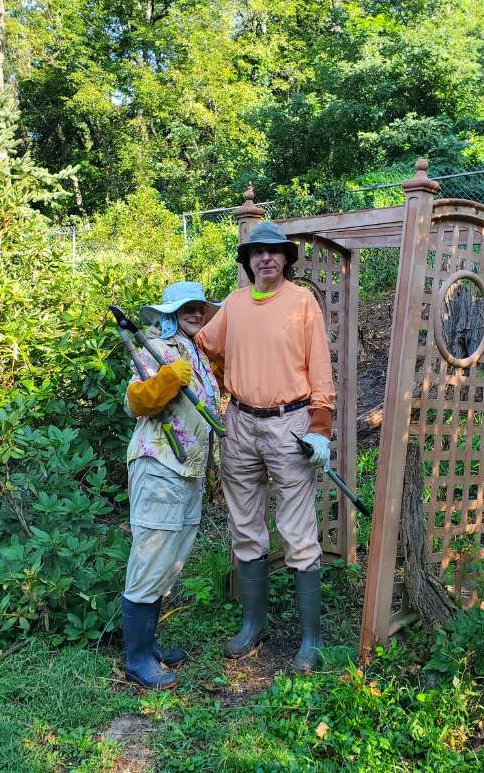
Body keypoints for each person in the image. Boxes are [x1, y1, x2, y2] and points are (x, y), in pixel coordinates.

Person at [196, 221, 334, 674]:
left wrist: (321, 423)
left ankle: (310, 639)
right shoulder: (234, 305)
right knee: (244, 526)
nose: (266, 258)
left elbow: (321, 368)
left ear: (286, 259)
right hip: (240, 423)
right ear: (247, 260)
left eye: (274, 252)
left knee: (297, 529)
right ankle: (252, 625)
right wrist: (220, 382)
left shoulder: (302, 303)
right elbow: (204, 346)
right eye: (257, 252)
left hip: (289, 423)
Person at [120, 281, 220, 689]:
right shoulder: (155, 347)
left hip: (188, 469)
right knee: (151, 555)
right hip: (160, 463)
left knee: (171, 556)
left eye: (199, 306)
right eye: (186, 308)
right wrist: (164, 381)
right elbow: (134, 402)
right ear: (169, 312)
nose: (195, 313)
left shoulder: (195, 351)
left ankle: (150, 646)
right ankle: (137, 659)